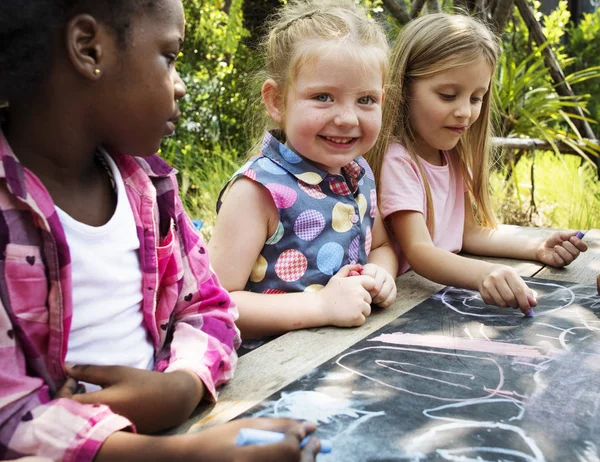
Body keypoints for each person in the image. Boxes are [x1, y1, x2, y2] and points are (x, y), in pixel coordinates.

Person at [0, 1, 319, 460]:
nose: (181, 85)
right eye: (169, 56)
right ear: (89, 49)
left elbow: (209, 305)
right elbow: (11, 418)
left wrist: (182, 386)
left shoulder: (149, 188)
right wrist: (187, 454)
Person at [366, 13, 588, 315]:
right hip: (399, 308)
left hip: (433, 299)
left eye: (476, 98)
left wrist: (537, 247)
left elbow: (468, 233)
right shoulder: (399, 160)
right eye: (448, 95)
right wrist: (483, 274)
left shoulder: (453, 155)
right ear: (404, 88)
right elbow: (420, 252)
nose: (465, 112)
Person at [209, 0, 398, 342]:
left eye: (366, 100)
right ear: (277, 101)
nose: (347, 118)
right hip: (273, 375)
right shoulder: (258, 191)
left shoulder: (359, 173)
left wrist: (381, 274)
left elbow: (381, 245)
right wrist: (322, 307)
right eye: (324, 96)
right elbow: (217, 303)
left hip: (344, 357)